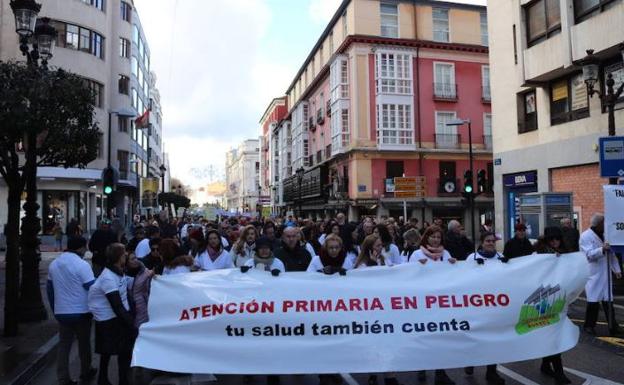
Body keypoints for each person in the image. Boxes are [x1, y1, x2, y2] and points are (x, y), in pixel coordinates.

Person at [408, 225, 456, 385]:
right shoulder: (416, 254)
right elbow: (408, 277)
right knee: (424, 337)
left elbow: (452, 277)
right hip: (422, 303)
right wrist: (417, 267)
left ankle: (440, 372)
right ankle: (422, 367)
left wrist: (454, 266)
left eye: (438, 237)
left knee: (440, 338)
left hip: (440, 304)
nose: (435, 240)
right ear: (426, 237)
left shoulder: (446, 254)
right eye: (432, 237)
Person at [47, 236, 97, 385]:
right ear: (80, 248)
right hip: (81, 311)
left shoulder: (54, 264)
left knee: (64, 346)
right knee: (84, 344)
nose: (86, 250)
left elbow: (50, 290)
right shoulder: (82, 265)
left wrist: (55, 309)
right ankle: (85, 371)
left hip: (62, 311)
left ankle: (63, 377)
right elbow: (92, 287)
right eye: (85, 247)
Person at [88, 243, 135, 385]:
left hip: (112, 318)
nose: (126, 255)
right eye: (124, 254)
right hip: (108, 319)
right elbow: (117, 305)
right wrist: (131, 323)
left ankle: (103, 379)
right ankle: (121, 381)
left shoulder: (117, 271)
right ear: (119, 257)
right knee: (122, 352)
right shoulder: (108, 278)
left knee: (107, 352)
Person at [464, 232, 507, 385]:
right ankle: (470, 361)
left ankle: (491, 371)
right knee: (475, 336)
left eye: (492, 241)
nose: (490, 243)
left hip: (495, 304)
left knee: (493, 338)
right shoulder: (472, 258)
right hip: (477, 304)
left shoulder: (501, 257)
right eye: (487, 241)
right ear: (481, 243)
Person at [533, 227, 572, 385]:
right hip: (543, 300)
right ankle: (559, 373)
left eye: (557, 239)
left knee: (554, 334)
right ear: (546, 240)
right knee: (553, 335)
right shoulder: (538, 254)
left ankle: (545, 364)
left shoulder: (565, 253)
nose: (555, 241)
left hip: (559, 299)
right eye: (552, 239)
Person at [580, 213, 622, 336]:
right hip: (594, 274)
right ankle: (589, 326)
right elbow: (588, 255)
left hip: (606, 273)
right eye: (603, 222)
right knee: (593, 302)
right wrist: (601, 249)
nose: (605, 225)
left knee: (609, 302)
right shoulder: (585, 236)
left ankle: (613, 326)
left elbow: (612, 253)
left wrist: (617, 269)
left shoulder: (606, 235)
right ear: (598, 224)